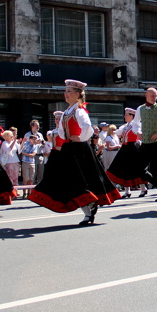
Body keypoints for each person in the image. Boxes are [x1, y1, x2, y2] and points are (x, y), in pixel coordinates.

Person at [29, 80, 121, 225]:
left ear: (77, 94)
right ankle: (88, 207)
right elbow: (60, 130)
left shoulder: (79, 110)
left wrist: (80, 137)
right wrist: (62, 142)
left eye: (69, 91)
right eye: (65, 91)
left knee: (78, 180)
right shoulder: (67, 112)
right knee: (67, 180)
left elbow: (88, 127)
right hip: (68, 149)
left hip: (79, 149)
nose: (66, 94)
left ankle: (88, 209)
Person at [107, 108, 148, 198]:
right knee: (123, 169)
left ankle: (143, 188)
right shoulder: (125, 126)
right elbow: (117, 132)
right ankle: (127, 191)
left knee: (136, 169)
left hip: (133, 148)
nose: (124, 116)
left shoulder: (136, 125)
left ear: (132, 116)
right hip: (125, 148)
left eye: (126, 115)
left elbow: (139, 133)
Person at [23, 120, 45, 184]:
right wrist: (35, 142)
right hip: (32, 157)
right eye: (37, 126)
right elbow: (27, 145)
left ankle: (39, 192)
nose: (38, 127)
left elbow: (43, 144)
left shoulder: (40, 134)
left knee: (40, 174)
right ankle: (31, 191)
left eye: (39, 126)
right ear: (32, 126)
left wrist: (43, 143)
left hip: (40, 156)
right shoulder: (28, 134)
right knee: (32, 176)